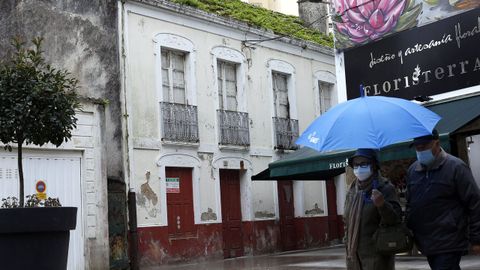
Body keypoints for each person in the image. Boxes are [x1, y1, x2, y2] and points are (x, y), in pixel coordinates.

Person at [406, 129, 480, 270]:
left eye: (423, 147)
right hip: (425, 240)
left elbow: (474, 203)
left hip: (449, 239)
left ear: (437, 143)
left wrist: (476, 238)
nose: (420, 151)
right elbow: (411, 203)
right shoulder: (413, 171)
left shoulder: (456, 167)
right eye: (417, 148)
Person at [344, 148, 402, 270]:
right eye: (356, 165)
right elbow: (347, 222)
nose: (359, 168)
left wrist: (382, 205)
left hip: (377, 258)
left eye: (363, 164)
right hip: (354, 258)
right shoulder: (352, 191)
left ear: (374, 165)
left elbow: (395, 220)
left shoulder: (385, 188)